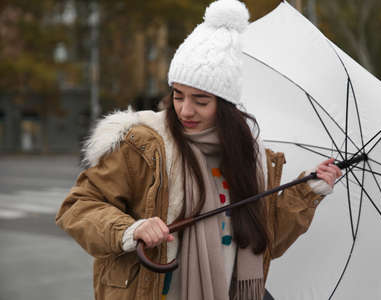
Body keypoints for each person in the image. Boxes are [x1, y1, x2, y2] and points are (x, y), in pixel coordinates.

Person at [56, 0, 342, 299]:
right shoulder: (143, 145)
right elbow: (78, 208)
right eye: (178, 95)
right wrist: (131, 229)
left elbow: (265, 241)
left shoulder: (250, 157)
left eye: (200, 101)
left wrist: (307, 191)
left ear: (226, 105)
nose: (185, 110)